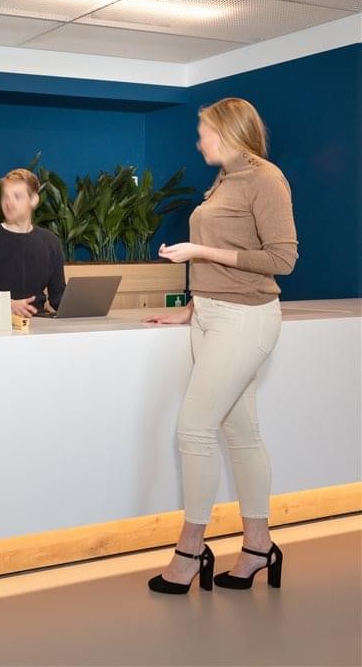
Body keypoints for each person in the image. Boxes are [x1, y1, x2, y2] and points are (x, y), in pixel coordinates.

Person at [143, 97, 297, 595]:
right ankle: (258, 546)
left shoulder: (266, 178)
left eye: (204, 131)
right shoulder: (225, 180)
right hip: (211, 316)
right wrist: (191, 306)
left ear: (229, 131)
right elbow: (218, 263)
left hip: (246, 320)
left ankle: (191, 549)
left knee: (194, 430)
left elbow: (282, 259)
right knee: (242, 433)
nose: (198, 140)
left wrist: (201, 250)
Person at [0, 168, 65, 318]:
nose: (9, 203)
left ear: (33, 200)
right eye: (5, 197)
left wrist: (85, 305)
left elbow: (58, 298)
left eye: (17, 197)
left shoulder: (51, 242)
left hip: (40, 326)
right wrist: (8, 305)